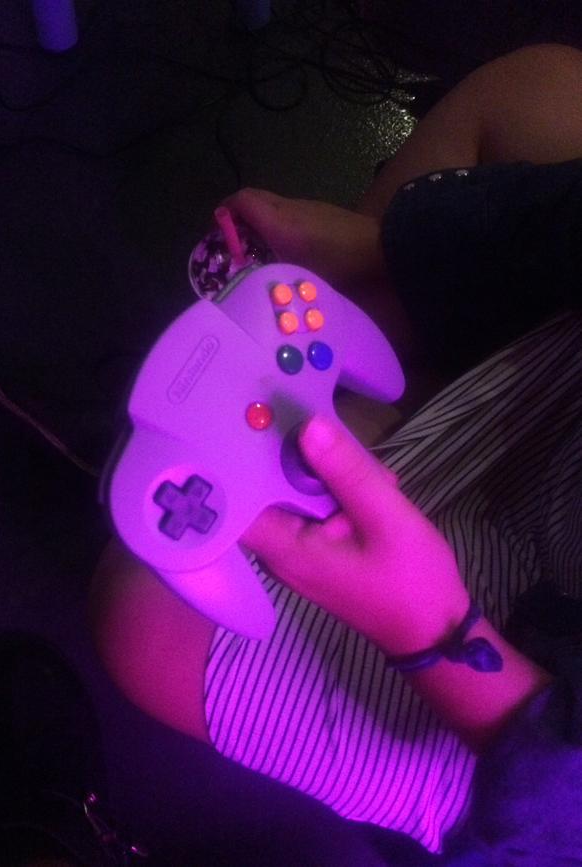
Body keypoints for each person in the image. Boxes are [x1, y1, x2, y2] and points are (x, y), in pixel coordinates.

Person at [89, 44, 582, 864]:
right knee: (539, 93)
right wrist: (389, 247)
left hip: (521, 707)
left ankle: (359, 414)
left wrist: (429, 629)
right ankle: (379, 401)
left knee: (140, 615)